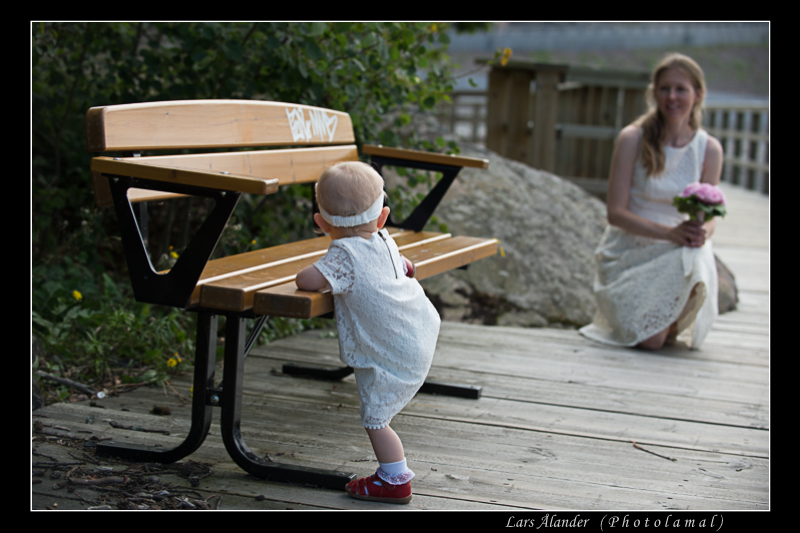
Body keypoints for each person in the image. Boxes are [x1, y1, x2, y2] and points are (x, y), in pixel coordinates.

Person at [296, 161, 441, 504]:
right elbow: (406, 266)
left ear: (321, 224)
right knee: (379, 413)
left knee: (376, 419)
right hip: (418, 332)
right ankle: (392, 475)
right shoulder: (385, 240)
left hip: (391, 353)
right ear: (382, 218)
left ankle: (394, 479)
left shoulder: (343, 256)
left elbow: (307, 281)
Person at [579, 53, 724, 350]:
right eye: (665, 88)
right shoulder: (633, 138)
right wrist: (668, 233)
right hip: (630, 249)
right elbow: (615, 213)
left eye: (680, 89)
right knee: (652, 340)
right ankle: (660, 321)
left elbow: (710, 216)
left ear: (697, 94)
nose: (672, 96)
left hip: (678, 248)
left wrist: (700, 233)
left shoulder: (709, 149)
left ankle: (670, 317)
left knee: (696, 255)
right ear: (654, 93)